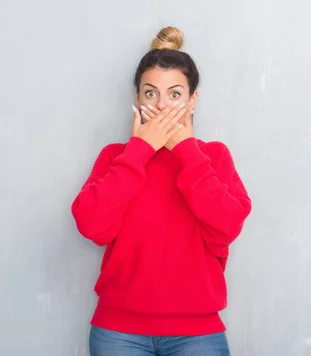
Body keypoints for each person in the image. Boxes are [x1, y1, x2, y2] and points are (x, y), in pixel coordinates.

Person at [71, 26, 252, 356]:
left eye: (175, 94)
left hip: (198, 334)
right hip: (117, 333)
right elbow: (92, 226)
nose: (163, 105)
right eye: (151, 93)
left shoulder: (214, 157)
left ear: (192, 99)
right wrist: (140, 149)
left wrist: (186, 150)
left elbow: (227, 227)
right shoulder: (116, 157)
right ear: (138, 99)